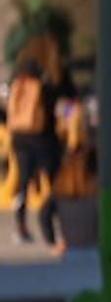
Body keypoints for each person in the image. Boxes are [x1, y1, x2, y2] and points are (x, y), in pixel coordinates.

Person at [7, 53, 63, 247]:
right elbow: (57, 109)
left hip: (19, 141)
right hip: (44, 142)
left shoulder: (17, 88)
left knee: (23, 185)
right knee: (57, 183)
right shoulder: (44, 89)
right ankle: (58, 224)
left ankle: (20, 227)